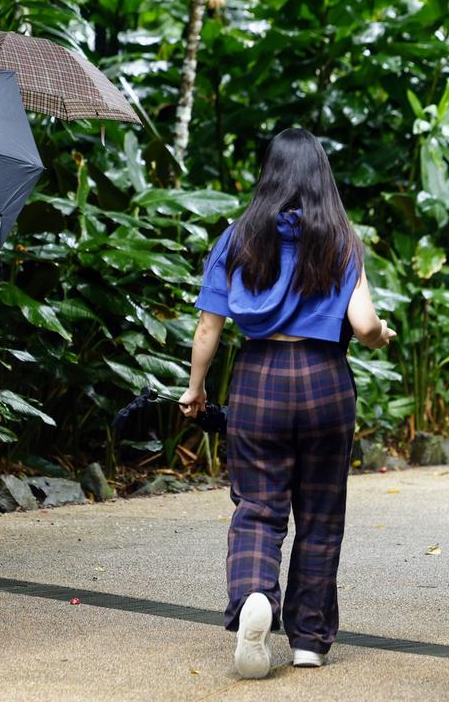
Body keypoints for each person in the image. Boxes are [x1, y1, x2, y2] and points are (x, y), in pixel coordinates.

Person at [178, 128, 395, 680]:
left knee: (258, 505)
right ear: (322, 174)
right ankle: (309, 641)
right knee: (320, 515)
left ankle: (254, 596)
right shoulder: (340, 238)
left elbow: (209, 326)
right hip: (325, 382)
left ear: (269, 173)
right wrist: (382, 337)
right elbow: (365, 324)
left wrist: (195, 387)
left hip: (258, 380)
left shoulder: (238, 237)